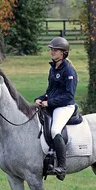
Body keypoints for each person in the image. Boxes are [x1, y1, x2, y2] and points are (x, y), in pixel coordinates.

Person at [35, 37, 78, 181]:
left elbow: (68, 96)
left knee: (55, 130)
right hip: (53, 104)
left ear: (63, 53)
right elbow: (50, 91)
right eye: (51, 49)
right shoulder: (53, 68)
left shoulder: (69, 71)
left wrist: (49, 103)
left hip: (65, 107)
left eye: (55, 50)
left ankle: (62, 166)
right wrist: (41, 98)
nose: (52, 51)